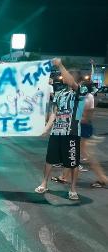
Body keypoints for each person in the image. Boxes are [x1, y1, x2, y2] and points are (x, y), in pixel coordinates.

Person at [35, 58, 88, 200]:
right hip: (56, 133)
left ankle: (73, 189)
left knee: (73, 162)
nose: (62, 77)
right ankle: (44, 183)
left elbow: (72, 83)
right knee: (49, 159)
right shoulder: (59, 94)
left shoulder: (81, 90)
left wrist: (60, 65)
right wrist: (46, 129)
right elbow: (54, 113)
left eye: (66, 75)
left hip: (72, 133)